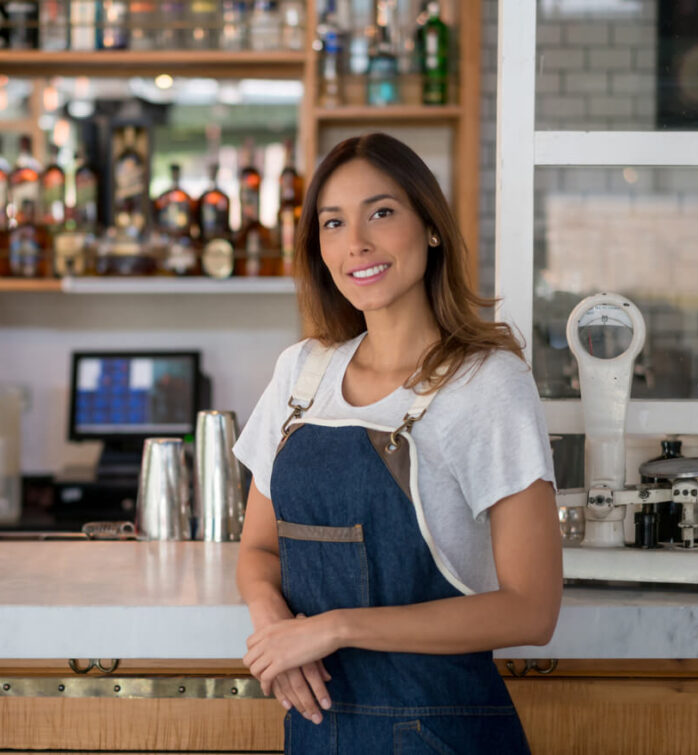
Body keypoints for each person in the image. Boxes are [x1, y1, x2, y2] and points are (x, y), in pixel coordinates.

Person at [233, 132, 562, 753]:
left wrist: (331, 631)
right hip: (317, 730)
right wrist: (277, 628)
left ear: (431, 228)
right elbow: (258, 551)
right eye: (333, 223)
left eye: (381, 212)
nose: (356, 242)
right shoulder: (301, 374)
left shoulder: (487, 381)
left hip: (443, 732)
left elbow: (531, 610)